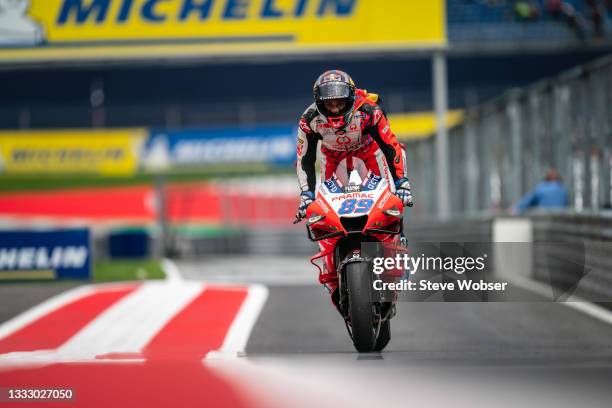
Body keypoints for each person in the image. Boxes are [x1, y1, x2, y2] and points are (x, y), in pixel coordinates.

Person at [294, 69, 413, 222]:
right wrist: (307, 194)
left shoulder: (369, 110)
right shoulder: (308, 120)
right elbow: (305, 159)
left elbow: (389, 144)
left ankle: (395, 239)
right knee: (326, 211)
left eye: (340, 102)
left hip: (368, 150)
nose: (335, 109)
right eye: (329, 104)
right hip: (332, 157)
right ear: (319, 102)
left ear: (351, 98)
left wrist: (401, 182)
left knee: (388, 203)